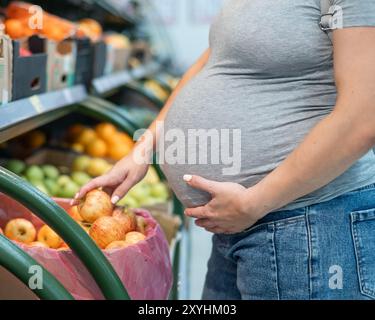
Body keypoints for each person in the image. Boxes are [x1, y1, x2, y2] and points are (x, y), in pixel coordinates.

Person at [74, 0, 375, 300]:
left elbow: (363, 117)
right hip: (240, 225)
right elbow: (214, 62)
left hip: (306, 225)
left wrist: (255, 202)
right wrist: (142, 150)